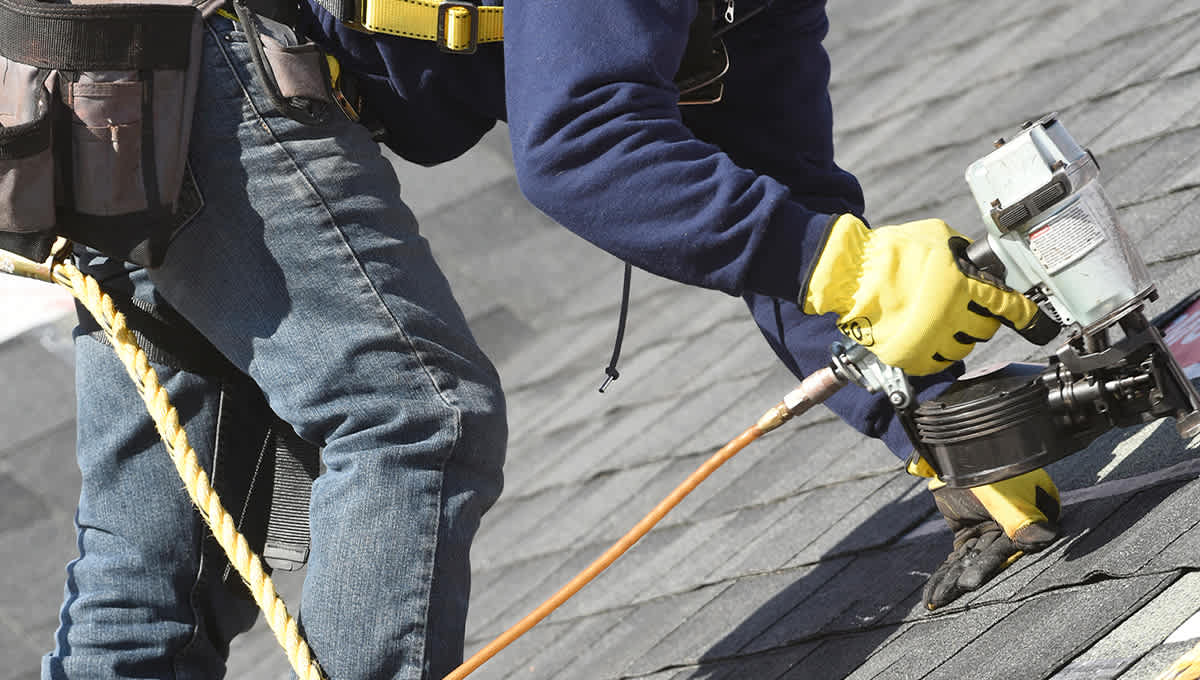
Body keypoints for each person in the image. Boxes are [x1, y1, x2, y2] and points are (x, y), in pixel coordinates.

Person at [39, 1, 1058, 679]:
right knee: (413, 415)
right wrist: (844, 265)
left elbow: (785, 205)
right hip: (194, 59)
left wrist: (939, 427)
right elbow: (583, 149)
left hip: (102, 73)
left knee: (156, 562)